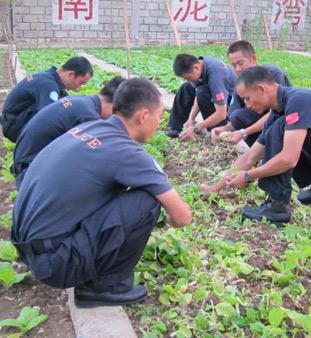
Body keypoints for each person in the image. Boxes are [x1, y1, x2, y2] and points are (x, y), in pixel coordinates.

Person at [11, 77, 192, 308]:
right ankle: (105, 287)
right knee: (147, 201)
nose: (160, 122)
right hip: (57, 265)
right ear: (144, 115)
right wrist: (165, 220)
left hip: (30, 250)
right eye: (160, 115)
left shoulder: (86, 127)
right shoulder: (128, 153)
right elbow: (183, 217)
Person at [200, 67, 311, 227]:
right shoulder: (277, 111)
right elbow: (250, 157)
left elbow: (289, 159)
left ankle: (277, 206)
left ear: (261, 89)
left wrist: (248, 175)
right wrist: (215, 188)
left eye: (247, 98)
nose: (247, 105)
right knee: (285, 130)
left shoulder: (298, 100)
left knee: (285, 129)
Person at [11, 76, 126, 190]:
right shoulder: (87, 115)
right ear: (115, 105)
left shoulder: (81, 101)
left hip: (28, 166)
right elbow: (98, 159)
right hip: (30, 173)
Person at [211, 40, 292, 147]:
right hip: (262, 122)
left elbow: (277, 112)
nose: (238, 69)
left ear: (253, 59)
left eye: (240, 63)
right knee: (237, 116)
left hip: (283, 121)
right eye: (234, 65)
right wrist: (223, 129)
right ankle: (259, 152)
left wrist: (244, 132)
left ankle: (270, 152)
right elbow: (237, 117)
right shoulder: (241, 83)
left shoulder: (273, 74)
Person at [1, 56, 93, 142]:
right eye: (81, 82)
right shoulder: (48, 84)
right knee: (53, 114)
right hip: (13, 126)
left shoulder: (51, 78)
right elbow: (49, 116)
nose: (79, 86)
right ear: (71, 74)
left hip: (17, 119)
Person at [165, 53, 237, 141]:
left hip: (232, 107)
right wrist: (191, 118)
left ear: (196, 67)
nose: (188, 79)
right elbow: (197, 95)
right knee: (186, 87)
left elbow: (221, 113)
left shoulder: (216, 75)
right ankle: (178, 128)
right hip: (219, 99)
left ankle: (217, 130)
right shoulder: (201, 65)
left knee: (203, 92)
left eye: (189, 77)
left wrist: (196, 128)